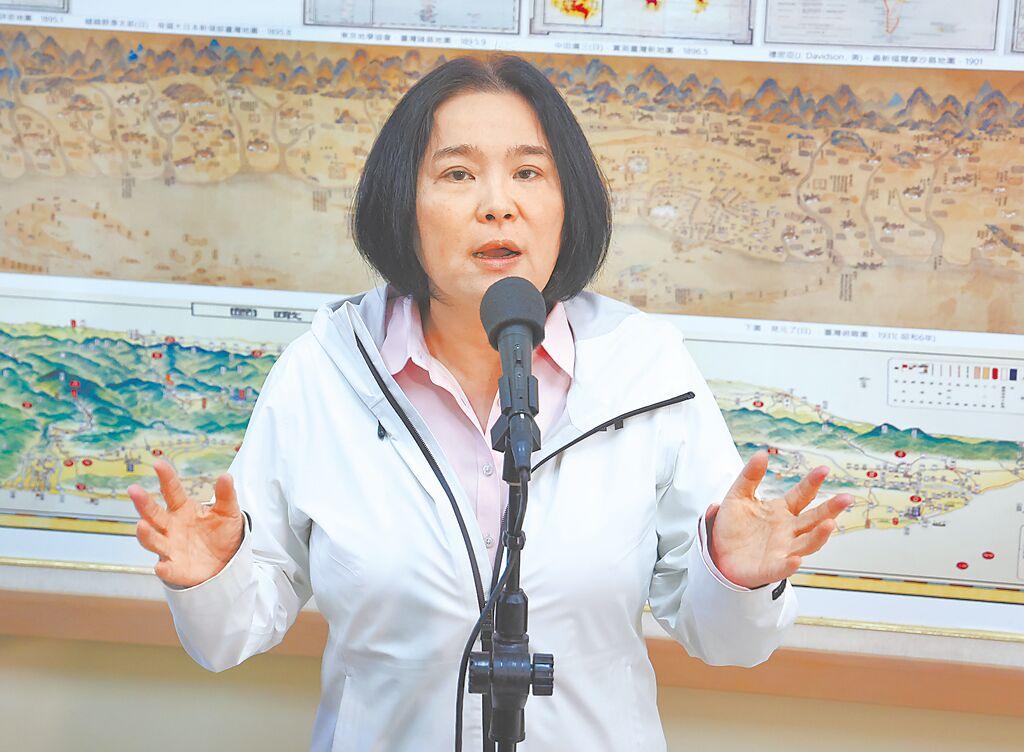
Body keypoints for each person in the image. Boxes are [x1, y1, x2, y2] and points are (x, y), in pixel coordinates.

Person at [127, 54, 852, 751]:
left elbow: (729, 643)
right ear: (403, 204)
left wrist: (737, 577)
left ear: (567, 203)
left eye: (529, 172)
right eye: (458, 174)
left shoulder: (645, 368)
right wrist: (213, 578)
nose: (498, 205)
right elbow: (227, 638)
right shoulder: (324, 373)